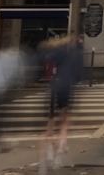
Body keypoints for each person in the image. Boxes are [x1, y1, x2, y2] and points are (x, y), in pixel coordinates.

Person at [38, 33, 84, 173]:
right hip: (67, 87)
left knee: (50, 125)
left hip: (53, 87)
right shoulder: (77, 55)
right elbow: (79, 75)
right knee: (64, 123)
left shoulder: (56, 52)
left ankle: (43, 162)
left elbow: (43, 61)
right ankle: (59, 154)